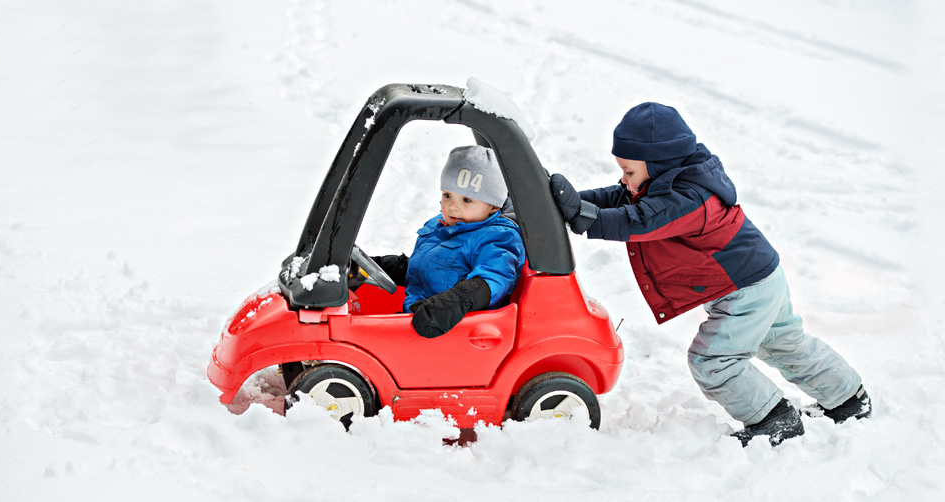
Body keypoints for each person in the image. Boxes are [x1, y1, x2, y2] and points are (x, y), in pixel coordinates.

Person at [548, 102, 870, 446]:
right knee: (784, 344)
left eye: (629, 172)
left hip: (746, 289)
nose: (625, 181)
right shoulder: (670, 179)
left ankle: (773, 419)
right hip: (761, 277)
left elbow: (639, 220)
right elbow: (621, 198)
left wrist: (586, 217)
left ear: (658, 165)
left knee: (712, 360)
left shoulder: (691, 197)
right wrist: (576, 203)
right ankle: (849, 399)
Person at [369, 145, 526, 339]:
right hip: (418, 320)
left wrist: (455, 302)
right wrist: (378, 266)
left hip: (456, 333)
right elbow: (432, 268)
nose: (453, 206)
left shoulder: (496, 237)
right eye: (447, 195)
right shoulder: (442, 225)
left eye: (467, 200)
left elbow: (494, 277)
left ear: (493, 206)